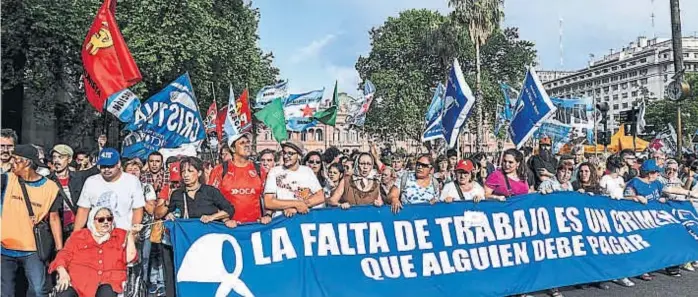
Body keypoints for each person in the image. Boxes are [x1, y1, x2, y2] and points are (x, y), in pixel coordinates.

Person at [155, 156, 236, 297]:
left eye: (190, 171)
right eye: (183, 172)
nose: (185, 175)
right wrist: (168, 209)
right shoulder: (177, 194)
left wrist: (212, 217)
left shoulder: (210, 191)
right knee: (177, 277)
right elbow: (158, 214)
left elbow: (229, 209)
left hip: (205, 247)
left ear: (199, 173)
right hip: (182, 246)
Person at [1, 144, 64, 297]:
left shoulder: (51, 188)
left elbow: (54, 219)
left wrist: (60, 250)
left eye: (15, 160)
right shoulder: (6, 180)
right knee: (5, 292)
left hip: (33, 248)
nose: (11, 164)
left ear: (27, 163)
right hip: (4, 247)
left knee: (38, 290)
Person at [48, 206, 140, 297]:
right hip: (77, 283)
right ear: (92, 221)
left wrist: (131, 236)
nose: (106, 222)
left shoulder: (120, 235)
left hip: (108, 282)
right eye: (101, 219)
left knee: (106, 292)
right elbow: (63, 255)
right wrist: (62, 272)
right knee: (64, 293)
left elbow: (130, 258)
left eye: (109, 218)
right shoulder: (78, 236)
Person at [74, 148, 145, 231]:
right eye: (103, 166)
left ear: (118, 164)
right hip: (96, 236)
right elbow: (83, 209)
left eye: (110, 166)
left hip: (122, 234)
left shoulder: (132, 181)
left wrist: (134, 233)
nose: (106, 169)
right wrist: (75, 235)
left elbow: (137, 209)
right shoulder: (91, 181)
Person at [208, 134, 269, 224]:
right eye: (242, 143)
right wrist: (225, 220)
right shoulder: (220, 170)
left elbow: (268, 199)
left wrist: (267, 215)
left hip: (255, 227)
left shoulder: (259, 170)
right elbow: (211, 200)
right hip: (229, 227)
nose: (247, 145)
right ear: (233, 149)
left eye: (248, 142)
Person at [48, 144, 99, 241]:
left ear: (69, 159)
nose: (56, 161)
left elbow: (97, 169)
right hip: (56, 230)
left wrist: (101, 148)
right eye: (54, 157)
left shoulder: (79, 177)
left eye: (61, 157)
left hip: (78, 229)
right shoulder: (47, 181)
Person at [263, 140, 325, 217]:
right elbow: (268, 202)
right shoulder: (274, 171)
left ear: (299, 155)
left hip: (302, 221)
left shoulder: (307, 171)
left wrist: (296, 208)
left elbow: (320, 197)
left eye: (290, 153)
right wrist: (296, 204)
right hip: (281, 221)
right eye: (284, 153)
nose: (286, 156)